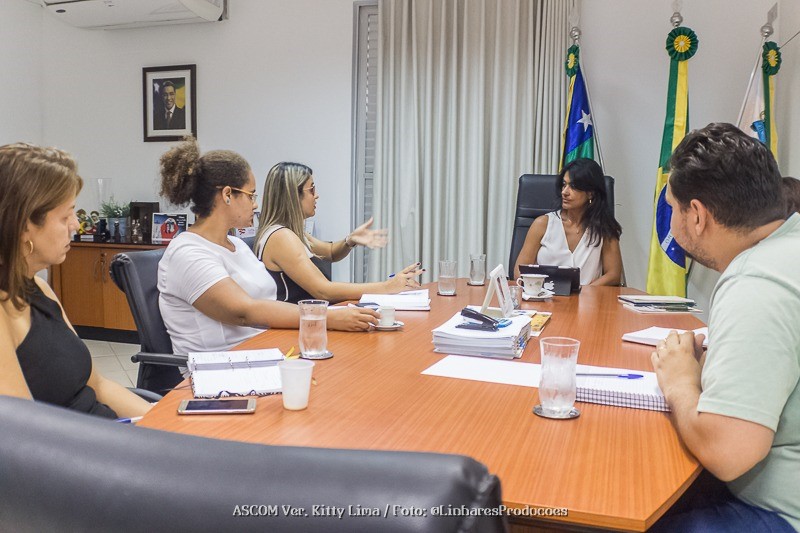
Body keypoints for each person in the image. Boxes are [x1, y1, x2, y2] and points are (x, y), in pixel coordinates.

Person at [651, 123, 798, 531]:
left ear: (697, 216)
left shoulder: (757, 280)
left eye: (672, 208)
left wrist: (680, 382)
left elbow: (727, 451)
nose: (672, 222)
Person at [157, 139, 378, 354]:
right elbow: (244, 311)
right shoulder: (188, 253)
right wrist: (324, 316)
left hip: (264, 348)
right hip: (220, 365)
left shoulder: (237, 245)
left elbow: (266, 302)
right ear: (227, 195)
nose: (255, 204)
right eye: (251, 195)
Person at [0, 143, 152, 419]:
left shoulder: (39, 288)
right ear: (24, 226)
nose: (76, 225)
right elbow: (24, 431)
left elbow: (99, 386)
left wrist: (161, 420)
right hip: (79, 442)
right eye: (65, 216)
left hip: (104, 429)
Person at [255, 162, 423, 303]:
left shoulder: (290, 232)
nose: (316, 196)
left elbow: (330, 252)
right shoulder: (281, 237)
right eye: (312, 190)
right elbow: (323, 291)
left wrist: (350, 240)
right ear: (292, 196)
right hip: (292, 326)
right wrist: (387, 287)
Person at [513, 158, 622, 285]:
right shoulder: (542, 224)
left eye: (573, 187)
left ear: (591, 193)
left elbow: (613, 275)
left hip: (588, 297)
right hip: (545, 295)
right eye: (564, 185)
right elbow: (519, 271)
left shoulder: (604, 229)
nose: (564, 192)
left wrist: (586, 291)